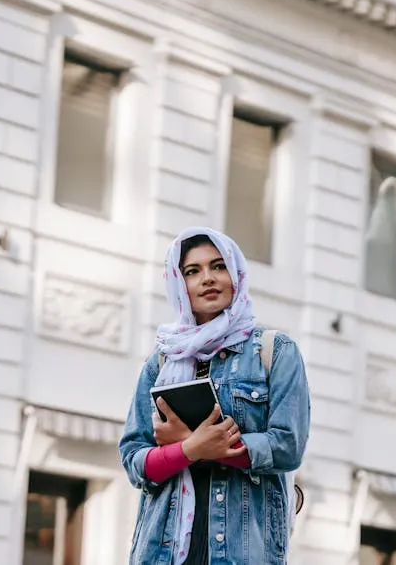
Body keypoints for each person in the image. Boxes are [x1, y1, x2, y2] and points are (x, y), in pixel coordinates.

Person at [119, 227, 311, 565]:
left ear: (236, 275)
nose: (208, 278)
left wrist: (201, 448)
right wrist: (192, 448)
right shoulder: (162, 360)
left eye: (219, 266)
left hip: (244, 552)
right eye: (193, 271)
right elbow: (135, 460)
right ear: (179, 283)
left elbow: (286, 446)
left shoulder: (274, 351)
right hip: (163, 553)